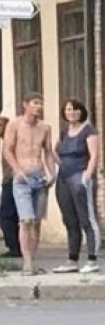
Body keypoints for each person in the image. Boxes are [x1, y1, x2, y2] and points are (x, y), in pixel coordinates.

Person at [3, 93, 56, 275]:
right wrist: (18, 170)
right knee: (26, 220)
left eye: (41, 103)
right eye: (35, 103)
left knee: (36, 222)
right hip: (22, 177)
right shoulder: (15, 125)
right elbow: (7, 151)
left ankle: (32, 260)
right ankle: (26, 262)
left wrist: (52, 173)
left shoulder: (45, 128)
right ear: (25, 105)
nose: (38, 107)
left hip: (39, 176)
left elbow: (48, 152)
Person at [52, 99, 101, 274]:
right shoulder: (64, 132)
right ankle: (72, 260)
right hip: (63, 178)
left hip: (79, 176)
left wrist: (86, 176)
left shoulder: (88, 130)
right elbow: (55, 152)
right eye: (68, 109)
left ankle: (92, 259)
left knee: (86, 218)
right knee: (70, 220)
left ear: (81, 112)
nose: (71, 112)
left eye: (74, 109)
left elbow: (94, 155)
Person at [0, 116, 22, 258]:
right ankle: (15, 246)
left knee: (7, 215)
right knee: (10, 216)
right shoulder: (6, 142)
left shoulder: (13, 142)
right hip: (9, 181)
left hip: (13, 181)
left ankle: (15, 247)